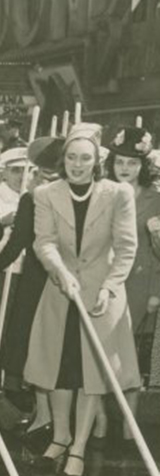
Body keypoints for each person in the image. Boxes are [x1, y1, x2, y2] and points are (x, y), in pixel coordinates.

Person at [25, 125, 139, 476]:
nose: (77, 165)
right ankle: (60, 437)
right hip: (61, 292)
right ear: (63, 160)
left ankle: (79, 450)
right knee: (60, 370)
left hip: (100, 298)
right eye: (71, 157)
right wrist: (60, 271)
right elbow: (43, 242)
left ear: (96, 161)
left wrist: (109, 287)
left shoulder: (117, 194)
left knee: (91, 376)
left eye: (85, 158)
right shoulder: (46, 194)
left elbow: (126, 248)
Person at [0, 136, 65, 440]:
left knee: (51, 346)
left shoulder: (80, 198)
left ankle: (56, 418)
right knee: (34, 345)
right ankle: (43, 413)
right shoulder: (30, 200)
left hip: (60, 282)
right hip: (35, 282)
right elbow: (15, 245)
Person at [104, 127, 160, 439]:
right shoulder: (103, 193)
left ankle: (129, 425)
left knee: (133, 356)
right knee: (103, 351)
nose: (125, 169)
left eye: (132, 163)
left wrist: (155, 292)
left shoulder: (156, 199)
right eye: (120, 162)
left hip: (140, 286)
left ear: (143, 166)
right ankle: (100, 418)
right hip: (107, 282)